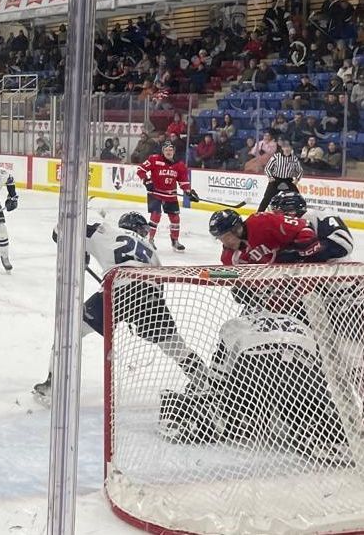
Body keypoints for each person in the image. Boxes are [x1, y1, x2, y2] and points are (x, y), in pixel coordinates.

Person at [32, 212, 209, 402]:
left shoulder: (107, 231)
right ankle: (206, 384)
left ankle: (53, 387)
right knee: (175, 345)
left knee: (70, 331)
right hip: (150, 294)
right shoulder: (150, 249)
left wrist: (80, 253)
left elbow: (61, 230)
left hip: (117, 290)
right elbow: (159, 286)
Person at [137, 140, 198, 251]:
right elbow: (140, 170)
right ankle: (150, 239)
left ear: (174, 151)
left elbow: (183, 181)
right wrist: (147, 181)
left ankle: (175, 241)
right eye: (166, 150)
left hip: (170, 195)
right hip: (155, 193)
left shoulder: (179, 165)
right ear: (162, 151)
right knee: (155, 216)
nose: (168, 152)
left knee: (175, 218)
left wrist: (189, 192)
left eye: (170, 150)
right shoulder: (154, 159)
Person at [209, 208, 327, 266]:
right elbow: (239, 278)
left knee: (310, 296)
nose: (224, 242)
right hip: (276, 287)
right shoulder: (229, 257)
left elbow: (303, 226)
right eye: (220, 238)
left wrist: (299, 250)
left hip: (303, 270)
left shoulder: (262, 222)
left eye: (225, 237)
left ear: (236, 230)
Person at [268, 191, 354, 262]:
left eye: (278, 212)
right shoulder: (297, 223)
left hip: (338, 270)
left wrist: (299, 255)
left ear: (291, 211)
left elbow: (344, 245)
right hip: (325, 270)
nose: (276, 216)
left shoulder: (313, 217)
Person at [258, 139, 302, 212]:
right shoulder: (276, 157)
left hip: (288, 180)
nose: (287, 149)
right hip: (276, 180)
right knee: (267, 197)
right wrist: (270, 177)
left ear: (291, 148)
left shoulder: (294, 159)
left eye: (289, 147)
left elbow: (300, 171)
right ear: (282, 148)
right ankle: (259, 213)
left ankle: (297, 213)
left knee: (296, 197)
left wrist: (297, 179)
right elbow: (267, 168)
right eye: (285, 147)